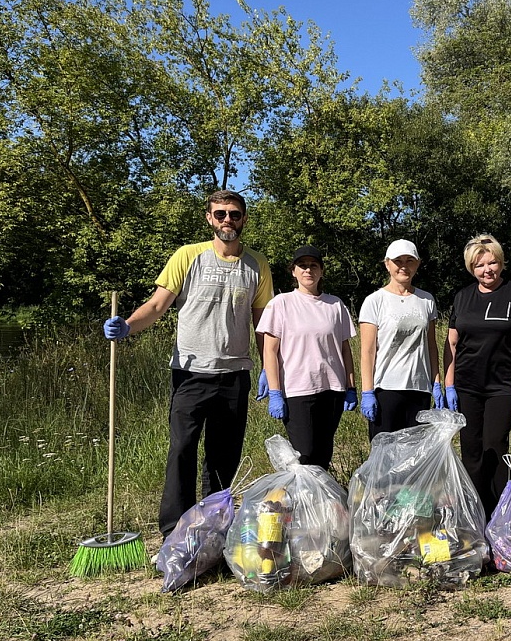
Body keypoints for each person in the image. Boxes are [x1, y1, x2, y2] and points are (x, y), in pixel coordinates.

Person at [103, 189, 273, 539]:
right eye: (220, 214)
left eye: (234, 214)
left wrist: (269, 368)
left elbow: (263, 322)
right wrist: (127, 326)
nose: (228, 220)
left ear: (244, 219)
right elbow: (156, 306)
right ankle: (175, 531)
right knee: (182, 450)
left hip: (234, 374)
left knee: (224, 456)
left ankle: (214, 526)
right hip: (191, 373)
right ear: (209, 218)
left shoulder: (257, 264)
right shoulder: (188, 255)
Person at [443, 234, 511, 519]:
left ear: (501, 263)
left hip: (504, 386)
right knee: (471, 450)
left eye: (492, 263)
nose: (487, 270)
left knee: (495, 445)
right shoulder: (463, 297)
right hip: (467, 386)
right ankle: (476, 511)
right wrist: (449, 385)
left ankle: (500, 512)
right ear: (471, 268)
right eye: (480, 265)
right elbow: (451, 343)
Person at [257, 245, 357, 468]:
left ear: (321, 271)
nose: (308, 270)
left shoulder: (335, 305)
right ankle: (299, 490)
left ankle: (320, 490)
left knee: (323, 452)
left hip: (332, 389)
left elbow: (345, 349)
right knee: (304, 453)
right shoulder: (281, 303)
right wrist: (275, 392)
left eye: (313, 265)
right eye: (302, 266)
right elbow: (270, 351)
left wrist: (351, 387)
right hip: (298, 389)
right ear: (293, 271)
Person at [358, 239, 445, 441]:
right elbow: (368, 352)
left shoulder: (426, 300)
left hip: (419, 388)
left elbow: (431, 346)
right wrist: (367, 391)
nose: (404, 266)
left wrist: (436, 383)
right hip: (386, 389)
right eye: (398, 261)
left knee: (415, 452)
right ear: (387, 264)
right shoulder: (375, 301)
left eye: (409, 261)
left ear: (418, 264)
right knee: (385, 452)